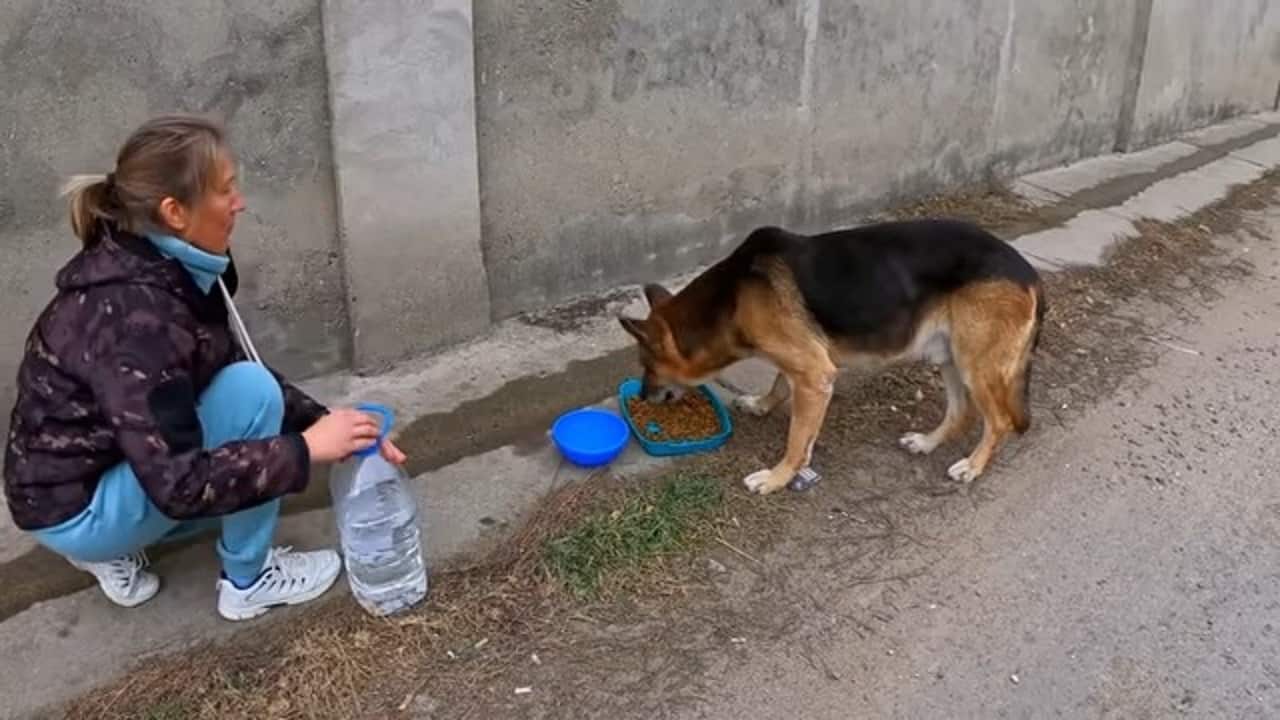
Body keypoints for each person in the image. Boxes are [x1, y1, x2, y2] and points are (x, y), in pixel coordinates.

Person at [2, 114, 407, 621]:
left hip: (70, 481)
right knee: (253, 396)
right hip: (74, 508)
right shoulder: (137, 321)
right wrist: (303, 449)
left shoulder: (153, 261)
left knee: (245, 389)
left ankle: (107, 547)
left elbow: (217, 369)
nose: (239, 203)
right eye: (226, 190)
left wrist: (329, 425)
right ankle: (248, 581)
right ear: (174, 211)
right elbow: (181, 485)